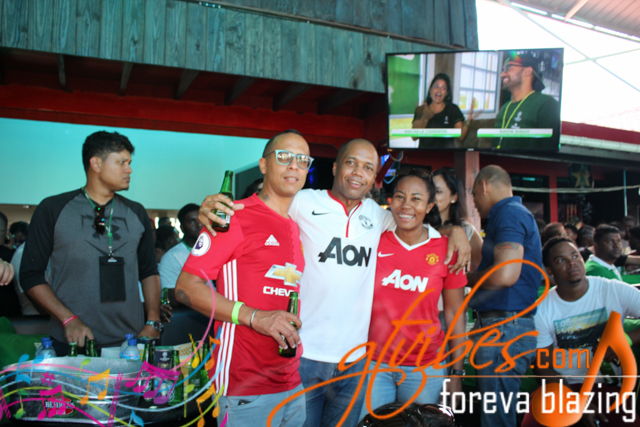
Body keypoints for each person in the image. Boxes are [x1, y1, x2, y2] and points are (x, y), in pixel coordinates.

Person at [198, 138, 471, 427]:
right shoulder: (303, 202)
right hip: (303, 354)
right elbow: (261, 205)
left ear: (373, 178)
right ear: (335, 167)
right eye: (351, 163)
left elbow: (415, 223)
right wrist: (216, 206)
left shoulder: (379, 217)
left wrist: (456, 231)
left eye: (368, 167)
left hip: (355, 361)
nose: (358, 172)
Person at [176, 130, 311, 426]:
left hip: (291, 381)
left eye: (303, 160)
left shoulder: (296, 225)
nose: (294, 165)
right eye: (284, 156)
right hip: (244, 386)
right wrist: (255, 316)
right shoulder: (232, 216)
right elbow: (186, 288)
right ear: (263, 165)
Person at [20, 131, 162, 355]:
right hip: (73, 341)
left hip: (130, 343)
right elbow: (30, 275)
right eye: (122, 162)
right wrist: (68, 319)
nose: (129, 170)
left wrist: (153, 319)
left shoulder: (136, 212)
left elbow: (149, 271)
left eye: (130, 163)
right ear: (96, 164)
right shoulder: (53, 208)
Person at [362, 170, 467, 418]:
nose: (406, 205)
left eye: (416, 199)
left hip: (425, 368)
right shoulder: (374, 240)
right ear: (391, 201)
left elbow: (455, 312)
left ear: (429, 206)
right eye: (400, 196)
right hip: (373, 364)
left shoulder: (447, 249)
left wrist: (457, 373)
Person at [521, 236, 640, 427]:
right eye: (561, 260)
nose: (571, 263)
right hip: (563, 387)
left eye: (575, 256)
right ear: (549, 270)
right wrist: (574, 401)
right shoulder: (541, 310)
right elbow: (544, 366)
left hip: (607, 386)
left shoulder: (611, 290)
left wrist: (626, 339)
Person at [467, 165, 542, 427]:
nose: (475, 203)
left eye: (474, 195)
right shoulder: (513, 213)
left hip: (504, 329)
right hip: (505, 327)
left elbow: (505, 275)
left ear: (484, 186)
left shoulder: (509, 213)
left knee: (497, 420)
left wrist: (463, 278)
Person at [493, 52, 561, 150]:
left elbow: (548, 150)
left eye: (508, 68)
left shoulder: (547, 104)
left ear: (527, 71)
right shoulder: (505, 107)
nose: (502, 74)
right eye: (503, 70)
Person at [433, 168, 483, 269]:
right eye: (429, 190)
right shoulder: (417, 224)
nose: (431, 196)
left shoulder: (466, 229)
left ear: (454, 197)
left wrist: (467, 277)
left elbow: (485, 265)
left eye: (438, 191)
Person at [412, 73, 476, 149]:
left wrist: (469, 120)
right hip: (424, 154)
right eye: (436, 86)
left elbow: (461, 137)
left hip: (446, 154)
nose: (439, 90)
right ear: (431, 89)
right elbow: (414, 137)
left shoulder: (453, 110)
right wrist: (425, 118)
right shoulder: (421, 109)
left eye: (443, 88)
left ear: (447, 93)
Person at [159, 203, 202, 305]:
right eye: (192, 221)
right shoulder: (171, 257)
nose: (199, 224)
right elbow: (172, 295)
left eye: (201, 219)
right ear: (182, 228)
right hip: (194, 312)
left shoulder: (218, 249)